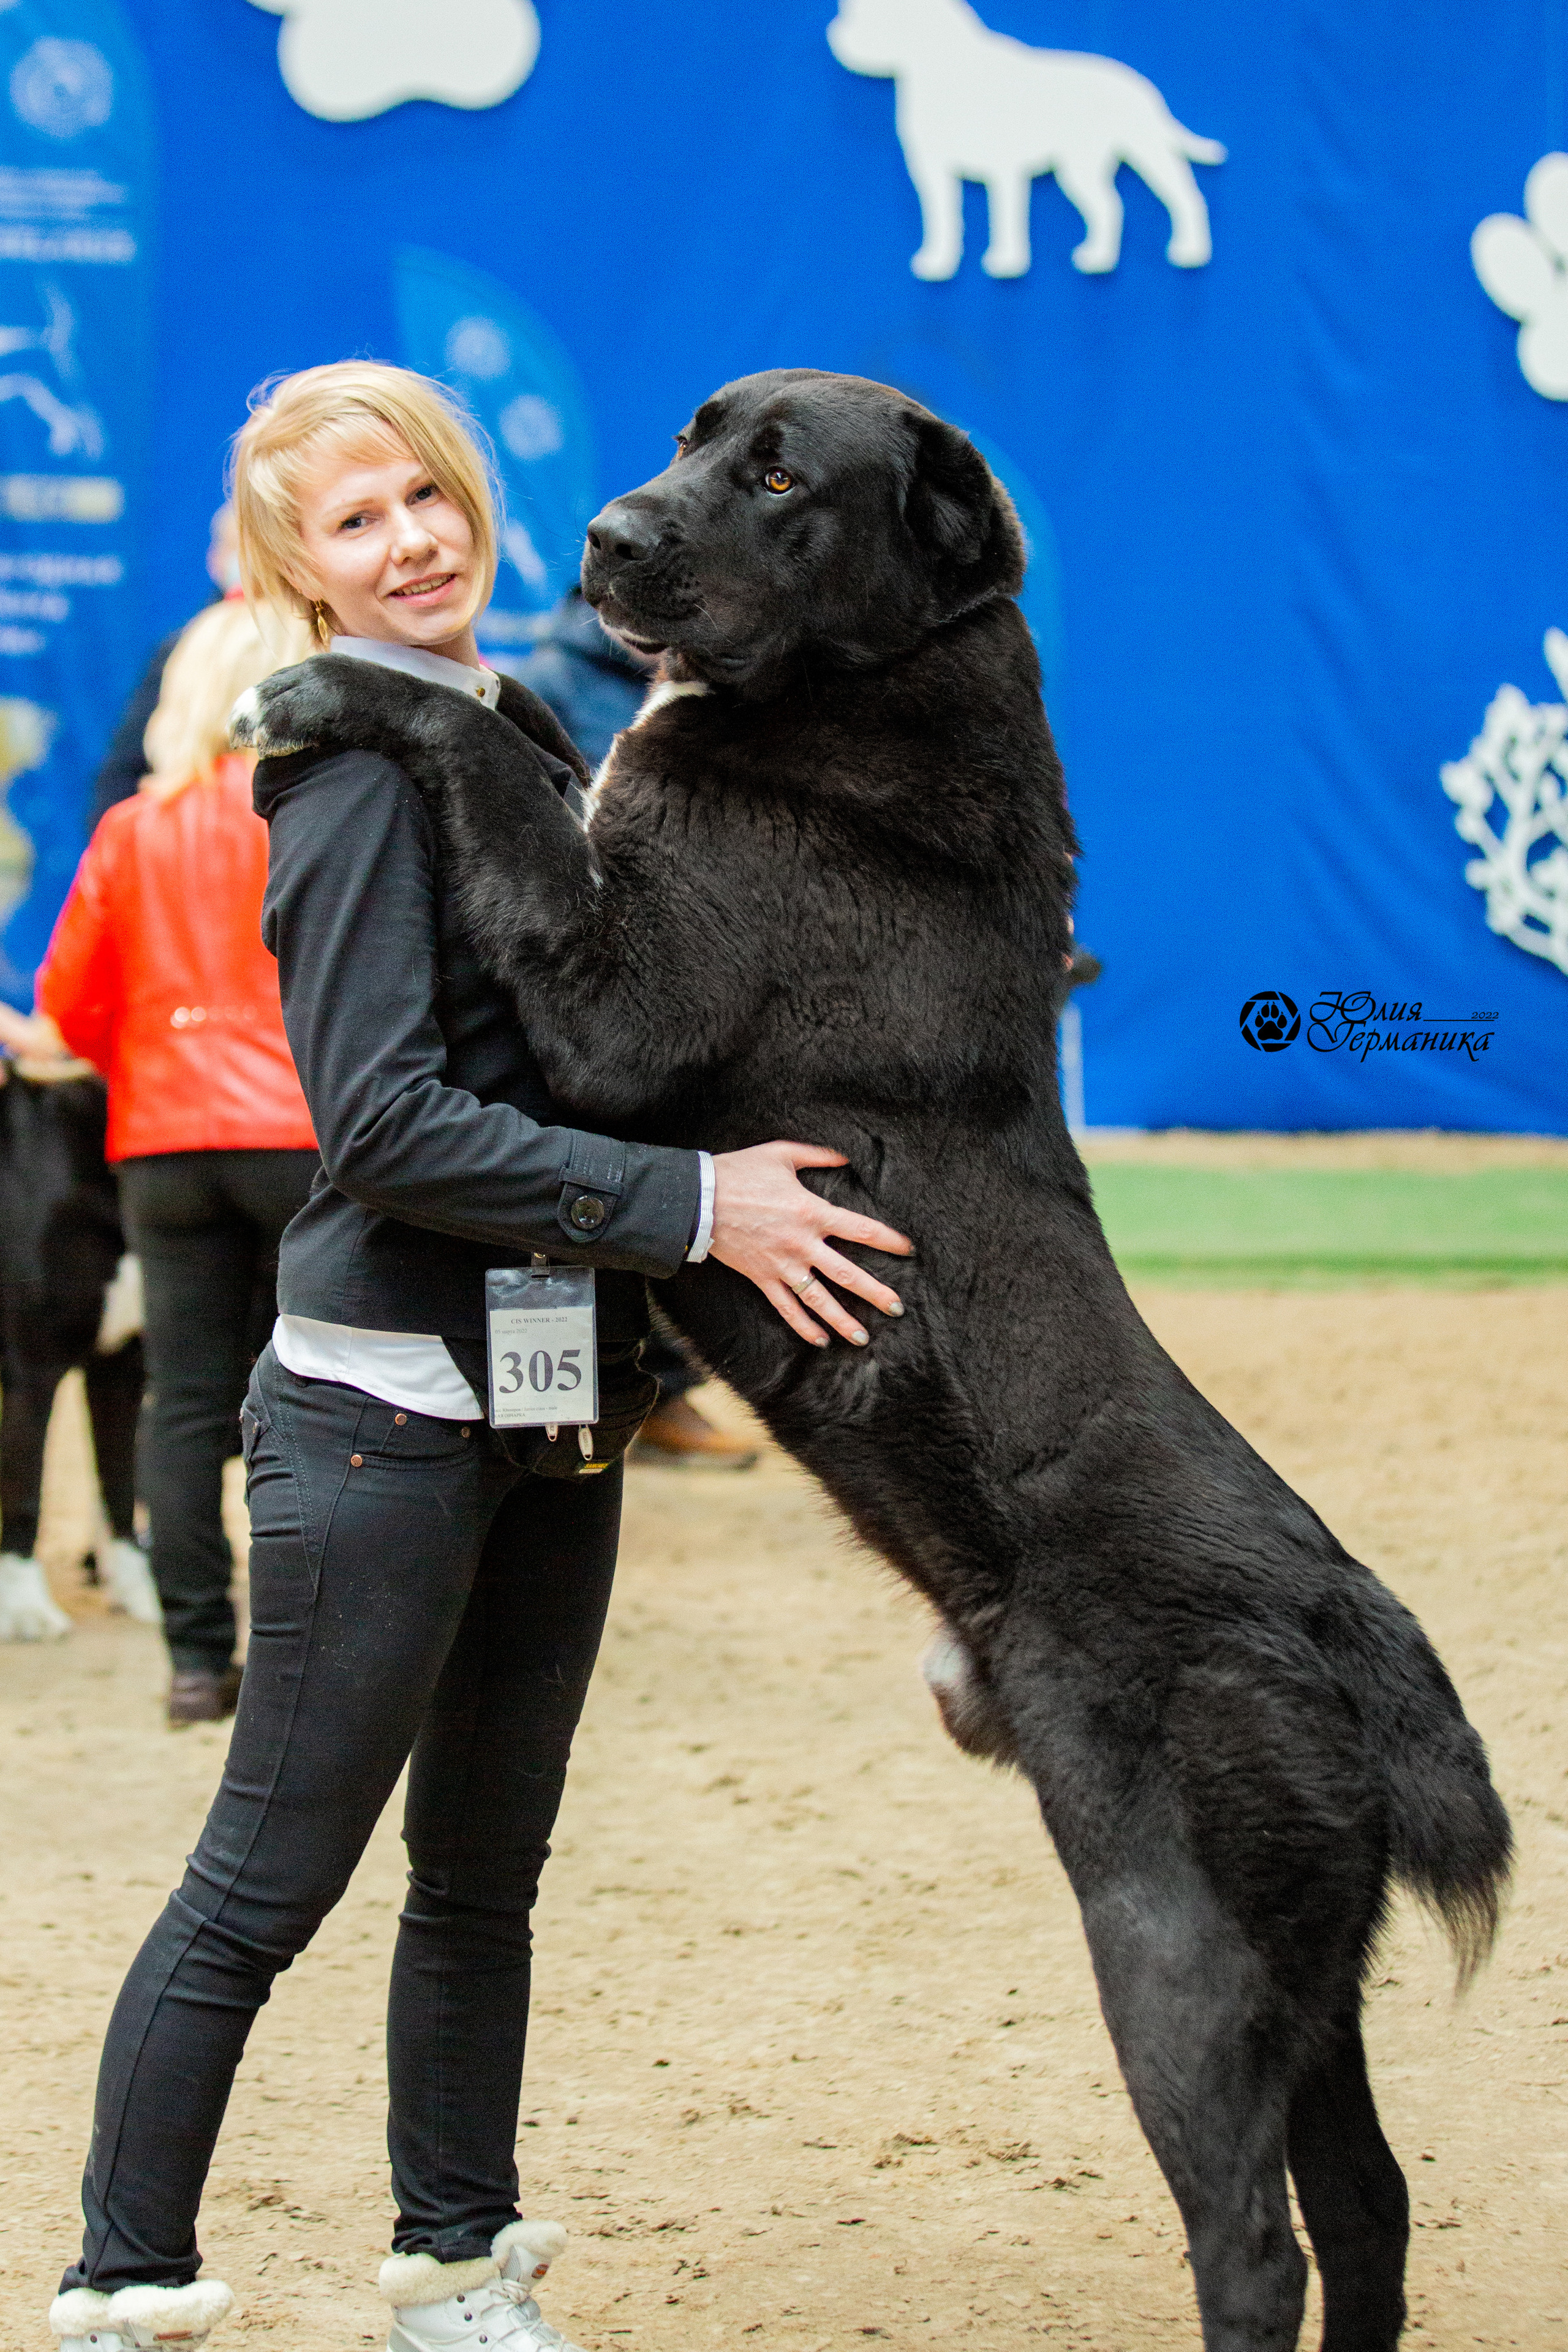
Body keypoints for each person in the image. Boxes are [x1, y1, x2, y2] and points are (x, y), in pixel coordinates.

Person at [45, 360, 911, 2352]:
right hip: (380, 1418)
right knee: (265, 1884)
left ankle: (455, 2266)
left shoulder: (511, 720)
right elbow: (380, 1126)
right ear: (296, 571)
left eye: (424, 496)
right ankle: (121, 2284)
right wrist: (693, 1207)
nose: (409, 542)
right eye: (354, 523)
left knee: (481, 1880)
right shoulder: (352, 772)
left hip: (553, 1397)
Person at [37, 596, 319, 1725]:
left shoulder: (132, 829)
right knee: (319, 1397)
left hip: (161, 1146)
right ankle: (307, 1659)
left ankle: (199, 1664)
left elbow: (69, 1004)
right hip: (305, 1143)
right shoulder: (318, 813)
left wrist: (153, 1061)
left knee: (184, 1401)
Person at [511, 589, 759, 1469]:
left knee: (666, 1187)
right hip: (582, 981)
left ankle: (648, 1397)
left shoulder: (719, 679)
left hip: (688, 976)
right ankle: (549, 1420)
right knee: (552, 1206)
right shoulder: (545, 686)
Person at [88, 504, 241, 829]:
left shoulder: (313, 642)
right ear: (214, 558)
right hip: (192, 835)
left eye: (260, 547)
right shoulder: (182, 650)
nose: (248, 562)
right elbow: (123, 773)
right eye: (235, 547)